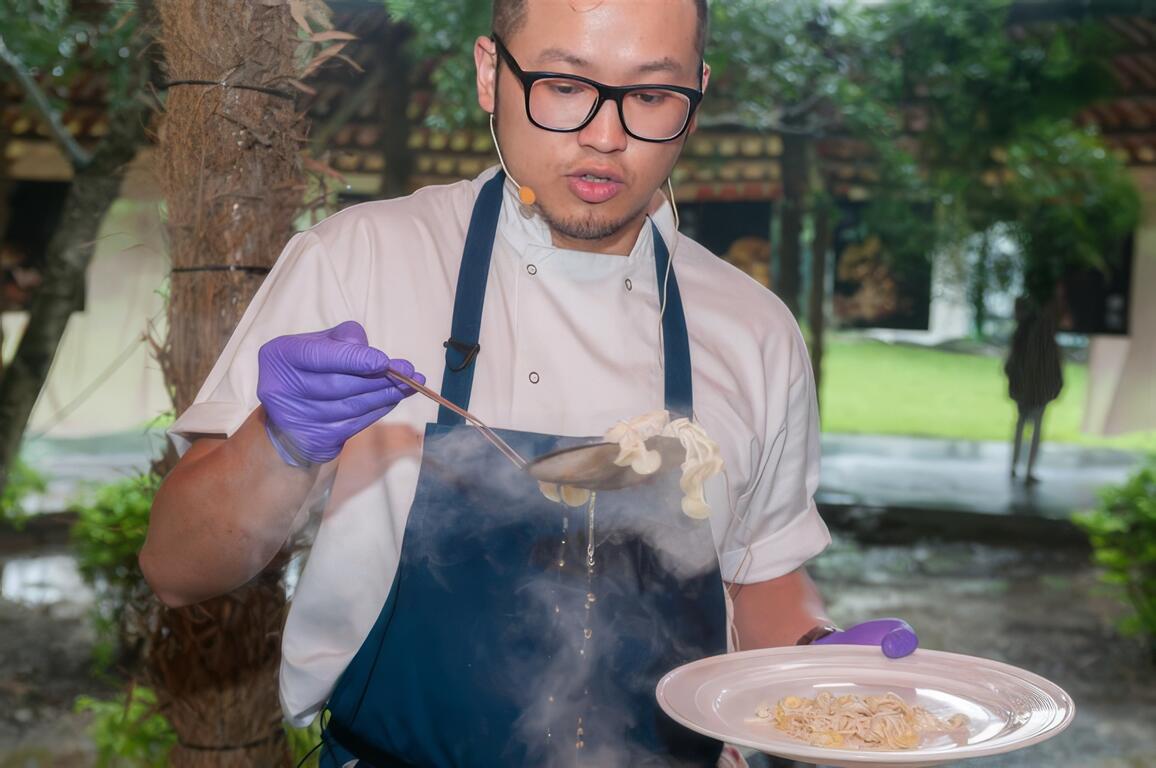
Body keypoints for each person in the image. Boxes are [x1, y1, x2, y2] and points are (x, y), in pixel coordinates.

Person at [140, 1, 919, 765]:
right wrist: (276, 441)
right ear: (491, 74)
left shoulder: (753, 328)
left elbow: (761, 579)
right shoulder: (363, 261)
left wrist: (820, 661)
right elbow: (177, 570)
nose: (606, 136)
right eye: (565, 85)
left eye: (651, 95)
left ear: (696, 96)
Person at [1005, 296, 1063, 484]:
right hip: (1037, 388)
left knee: (1023, 424)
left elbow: (1011, 364)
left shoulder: (1022, 334)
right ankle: (1025, 469)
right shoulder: (1044, 334)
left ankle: (1015, 467)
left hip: (1026, 387)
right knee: (1034, 426)